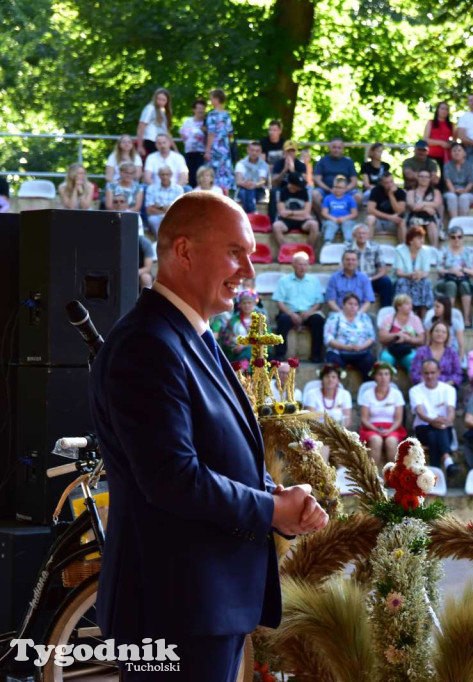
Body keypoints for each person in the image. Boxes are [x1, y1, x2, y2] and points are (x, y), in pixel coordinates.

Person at [89, 192, 327, 680]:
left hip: (204, 604)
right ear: (184, 251)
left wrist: (274, 495)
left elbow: (217, 452)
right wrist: (270, 510)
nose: (250, 271)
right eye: (236, 252)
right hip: (172, 608)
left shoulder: (192, 334)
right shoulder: (147, 344)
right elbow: (172, 478)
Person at [272, 251, 325, 362]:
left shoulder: (314, 281)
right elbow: (279, 302)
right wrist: (291, 314)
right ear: (293, 265)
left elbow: (319, 302)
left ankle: (316, 355)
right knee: (283, 320)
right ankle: (280, 354)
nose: (302, 267)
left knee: (318, 320)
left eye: (305, 264)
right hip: (289, 313)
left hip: (309, 313)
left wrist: (309, 312)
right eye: (300, 264)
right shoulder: (284, 281)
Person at [410, 358, 459, 477]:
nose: (430, 376)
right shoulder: (415, 390)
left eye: (432, 373)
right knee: (434, 431)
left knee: (434, 434)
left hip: (443, 426)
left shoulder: (449, 389)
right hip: (423, 427)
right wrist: (433, 421)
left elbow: (451, 411)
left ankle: (435, 472)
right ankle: (447, 461)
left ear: (439, 372)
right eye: (426, 373)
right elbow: (420, 413)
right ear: (422, 373)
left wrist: (447, 421)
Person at [358, 362, 406, 466]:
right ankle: (373, 477)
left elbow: (398, 419)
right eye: (380, 374)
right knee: (376, 440)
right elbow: (364, 419)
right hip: (371, 427)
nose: (383, 377)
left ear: (390, 377)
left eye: (386, 374)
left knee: (392, 441)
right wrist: (376, 430)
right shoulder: (367, 394)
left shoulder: (396, 394)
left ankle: (394, 477)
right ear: (374, 376)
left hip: (392, 427)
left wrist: (389, 430)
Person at [323, 293, 376, 379]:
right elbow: (328, 338)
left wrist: (361, 347)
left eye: (355, 304)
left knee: (369, 363)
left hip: (361, 351)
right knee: (333, 363)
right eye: (350, 304)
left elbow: (371, 337)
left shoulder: (364, 317)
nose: (353, 306)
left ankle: (367, 388)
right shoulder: (335, 317)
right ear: (343, 305)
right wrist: (345, 347)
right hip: (338, 352)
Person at [346, 223, 393, 307]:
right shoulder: (348, 248)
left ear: (368, 235)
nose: (361, 236)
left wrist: (370, 279)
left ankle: (386, 310)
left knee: (386, 282)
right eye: (359, 233)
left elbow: (383, 270)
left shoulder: (375, 247)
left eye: (364, 233)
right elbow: (345, 267)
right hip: (355, 279)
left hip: (372, 279)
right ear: (354, 235)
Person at [377, 293, 425, 371]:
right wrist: (396, 335)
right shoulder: (389, 319)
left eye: (410, 304)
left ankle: (414, 382)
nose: (411, 306)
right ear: (398, 306)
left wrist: (407, 339)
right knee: (385, 359)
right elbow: (382, 338)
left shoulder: (415, 319)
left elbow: (421, 340)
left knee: (413, 359)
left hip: (409, 350)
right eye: (407, 304)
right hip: (390, 350)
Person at [394, 225, 434, 316]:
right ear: (411, 240)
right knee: (402, 282)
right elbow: (399, 272)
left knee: (426, 282)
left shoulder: (426, 251)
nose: (422, 241)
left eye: (422, 238)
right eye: (419, 238)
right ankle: (403, 313)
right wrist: (411, 274)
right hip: (405, 277)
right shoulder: (400, 250)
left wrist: (420, 275)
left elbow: (426, 272)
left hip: (418, 278)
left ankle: (423, 315)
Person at [312, 137, 360, 212]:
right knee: (314, 194)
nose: (336, 150)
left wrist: (343, 190)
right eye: (334, 147)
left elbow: (354, 181)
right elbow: (317, 180)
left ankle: (345, 217)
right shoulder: (322, 161)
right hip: (326, 190)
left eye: (339, 148)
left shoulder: (348, 162)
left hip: (345, 191)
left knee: (358, 196)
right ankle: (323, 217)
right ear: (329, 148)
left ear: (342, 149)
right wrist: (329, 189)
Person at [272, 172, 319, 247]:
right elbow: (282, 213)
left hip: (302, 221)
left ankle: (308, 250)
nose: (301, 186)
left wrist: (289, 213)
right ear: (292, 185)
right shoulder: (281, 192)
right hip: (287, 221)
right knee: (276, 226)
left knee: (314, 225)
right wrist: (301, 215)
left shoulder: (306, 192)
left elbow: (306, 212)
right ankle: (285, 250)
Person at [410, 321, 462, 387]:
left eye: (443, 332)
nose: (440, 334)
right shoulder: (422, 351)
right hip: (424, 386)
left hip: (446, 387)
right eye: (437, 331)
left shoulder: (452, 353)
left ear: (447, 336)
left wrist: (446, 386)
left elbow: (457, 374)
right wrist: (428, 384)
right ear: (431, 333)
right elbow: (415, 373)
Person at [203, 89, 235, 193]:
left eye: (211, 98)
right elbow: (230, 133)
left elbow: (211, 134)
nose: (210, 101)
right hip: (225, 150)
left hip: (215, 149)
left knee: (213, 174)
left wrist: (207, 150)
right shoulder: (227, 114)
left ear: (217, 99)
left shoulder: (212, 115)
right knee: (225, 175)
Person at [365, 173, 407, 239]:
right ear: (382, 183)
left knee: (402, 221)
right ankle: (368, 246)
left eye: (391, 182)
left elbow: (399, 211)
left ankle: (403, 247)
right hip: (379, 221)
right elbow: (370, 209)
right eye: (386, 183)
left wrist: (391, 195)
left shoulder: (400, 192)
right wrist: (389, 217)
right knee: (370, 218)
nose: (390, 185)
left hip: (394, 222)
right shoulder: (376, 191)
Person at [407, 168, 443, 246]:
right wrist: (427, 208)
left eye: (426, 177)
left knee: (432, 224)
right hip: (416, 216)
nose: (423, 179)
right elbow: (412, 206)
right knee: (416, 225)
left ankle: (434, 249)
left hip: (431, 217)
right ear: (417, 178)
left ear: (430, 179)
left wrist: (422, 204)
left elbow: (436, 204)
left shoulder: (436, 192)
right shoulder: (411, 192)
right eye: (421, 176)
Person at [144, 166, 184, 234]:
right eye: (162, 174)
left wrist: (160, 206)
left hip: (173, 216)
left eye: (167, 174)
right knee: (153, 219)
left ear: (171, 175)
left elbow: (179, 209)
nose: (165, 177)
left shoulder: (178, 189)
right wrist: (167, 210)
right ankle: (160, 240)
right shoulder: (151, 188)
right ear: (159, 176)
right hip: (157, 216)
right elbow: (148, 210)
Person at [135, 87, 174, 156]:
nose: (161, 102)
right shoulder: (150, 108)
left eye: (163, 100)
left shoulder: (162, 112)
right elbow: (141, 126)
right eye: (159, 99)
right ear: (155, 98)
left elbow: (167, 132)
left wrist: (175, 149)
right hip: (151, 140)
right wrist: (140, 146)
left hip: (162, 141)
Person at [321, 175, 360, 243]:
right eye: (336, 187)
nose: (337, 189)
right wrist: (333, 219)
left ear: (345, 189)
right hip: (332, 219)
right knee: (330, 225)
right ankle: (327, 242)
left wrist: (344, 219)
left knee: (348, 225)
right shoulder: (328, 198)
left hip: (346, 219)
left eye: (340, 188)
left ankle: (348, 242)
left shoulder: (350, 198)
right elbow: (324, 213)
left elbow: (354, 213)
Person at [443, 142, 473, 219]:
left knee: (463, 198)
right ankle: (454, 222)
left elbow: (471, 182)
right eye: (454, 151)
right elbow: (447, 180)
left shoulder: (470, 166)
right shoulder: (447, 165)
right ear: (451, 153)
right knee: (452, 197)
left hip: (467, 192)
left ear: (464, 153)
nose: (457, 153)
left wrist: (464, 190)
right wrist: (454, 191)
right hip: (450, 191)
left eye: (459, 150)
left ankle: (462, 223)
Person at [235, 141, 269, 214]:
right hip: (244, 188)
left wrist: (254, 185)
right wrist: (246, 184)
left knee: (247, 192)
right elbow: (238, 181)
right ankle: (253, 213)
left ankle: (247, 215)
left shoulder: (264, 165)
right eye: (252, 150)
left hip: (259, 190)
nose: (254, 153)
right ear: (248, 150)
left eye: (257, 151)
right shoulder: (241, 164)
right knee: (246, 191)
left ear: (260, 152)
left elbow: (262, 181)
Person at [424, 102, 453, 174]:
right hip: (431, 156)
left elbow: (454, 141)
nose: (444, 111)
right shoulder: (431, 122)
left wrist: (449, 144)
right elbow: (425, 140)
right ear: (437, 110)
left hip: (446, 158)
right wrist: (441, 143)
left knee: (444, 180)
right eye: (442, 108)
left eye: (446, 109)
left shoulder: (451, 125)